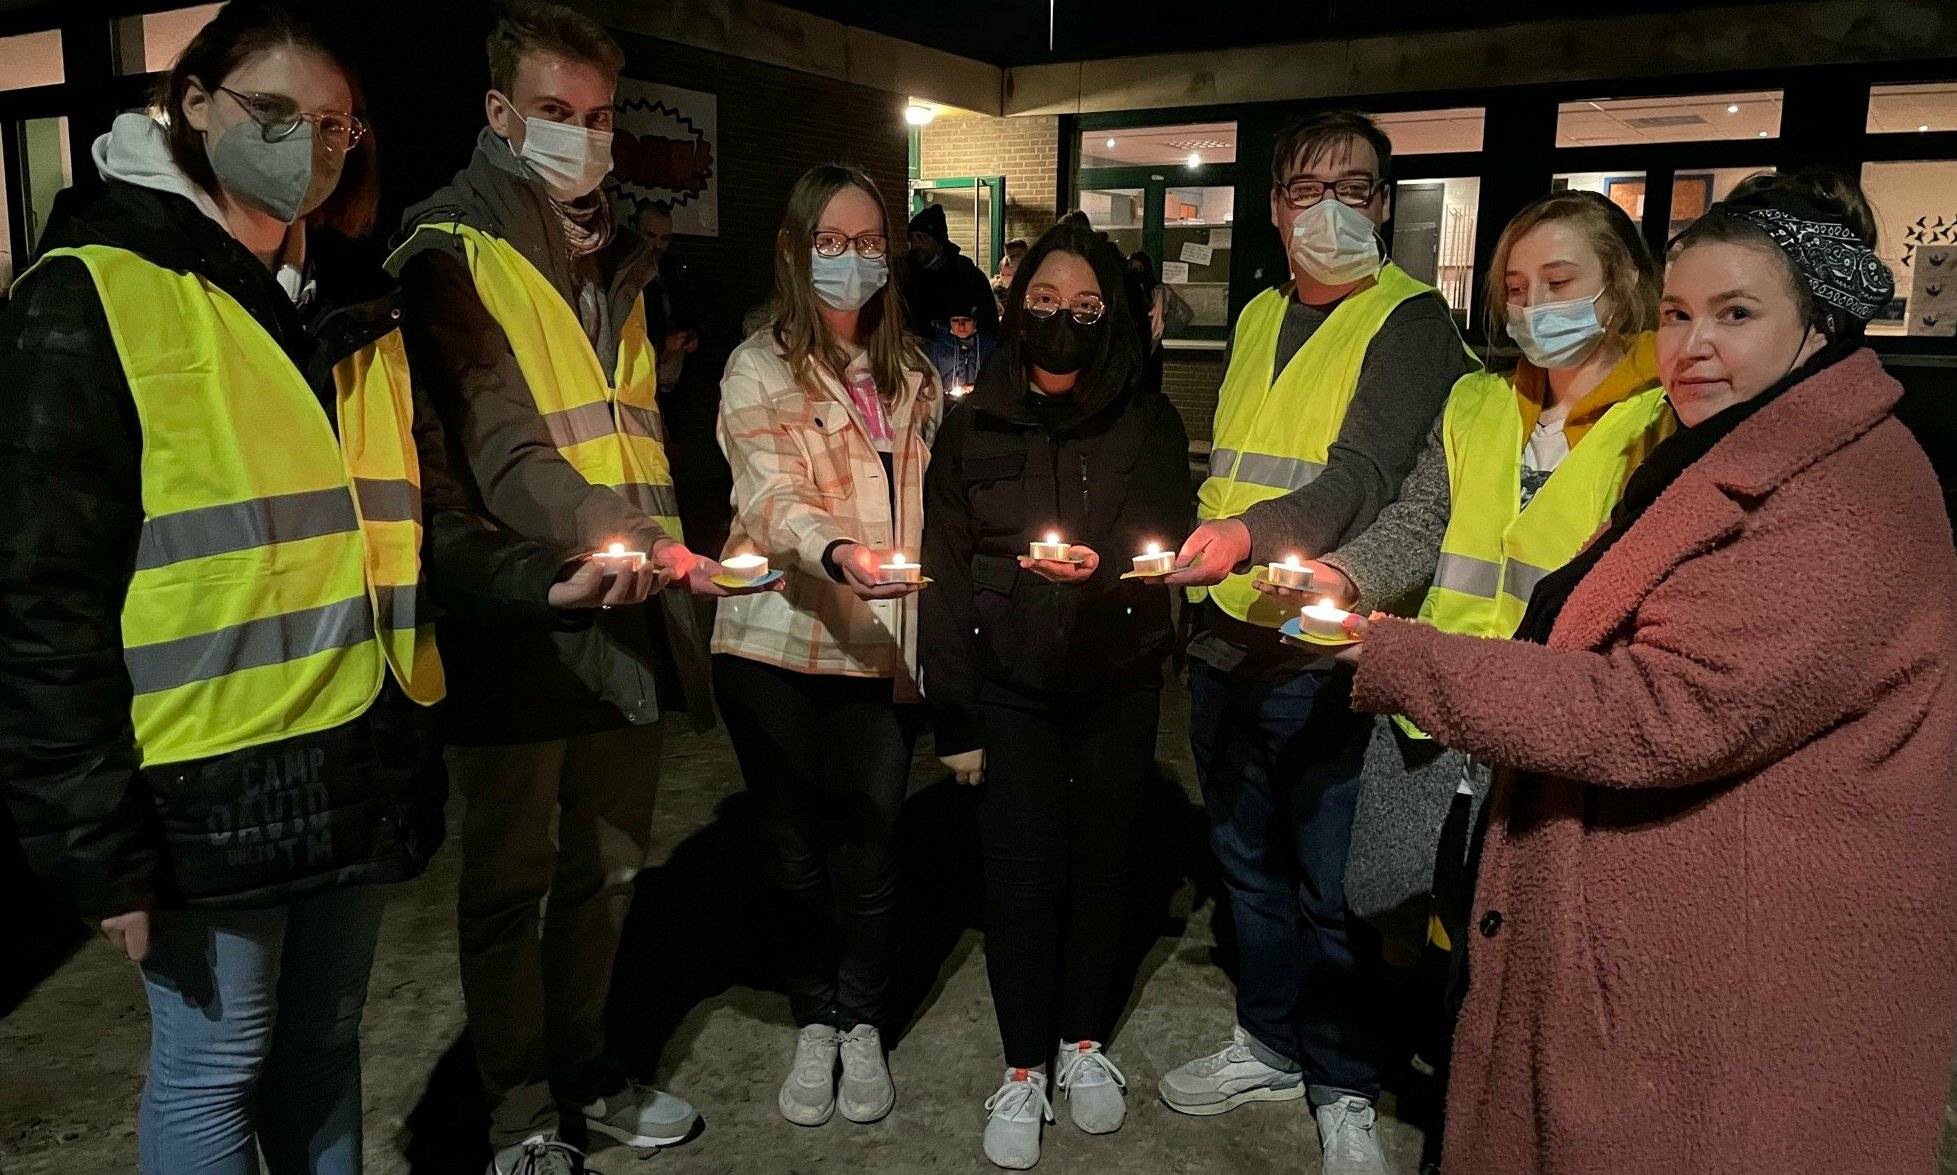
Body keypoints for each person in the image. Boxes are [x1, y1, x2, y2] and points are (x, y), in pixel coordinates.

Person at [0, 5, 646, 1171]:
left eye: (337, 126)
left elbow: (412, 521)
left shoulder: (348, 304)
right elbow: (43, 600)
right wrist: (92, 841)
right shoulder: (90, 291)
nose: (309, 145)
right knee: (213, 1070)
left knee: (321, 1049)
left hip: (354, 746)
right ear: (194, 104)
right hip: (202, 776)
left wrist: (544, 578)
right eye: (275, 113)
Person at [1342, 170, 1957, 1175]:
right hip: (1589, 841)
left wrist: (1397, 654)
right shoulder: (1740, 442)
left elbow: (1661, 708)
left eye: (1736, 312)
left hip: (1730, 967)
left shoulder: (1834, 499)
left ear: (1818, 326)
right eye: (1679, 313)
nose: (1692, 343)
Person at [386, 6, 746, 1170]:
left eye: (596, 118)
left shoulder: (623, 258)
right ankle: (517, 1102)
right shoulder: (445, 249)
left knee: (609, 865)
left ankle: (586, 1064)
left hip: (634, 605)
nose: (582, 139)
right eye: (554, 114)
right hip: (521, 616)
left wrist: (675, 558)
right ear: (498, 114)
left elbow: (632, 429)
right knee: (509, 879)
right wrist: (621, 532)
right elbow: (499, 449)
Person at [1146, 110, 1474, 1175]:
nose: (1332, 208)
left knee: (1329, 878)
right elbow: (1235, 463)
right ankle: (1269, 1039)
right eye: (1307, 188)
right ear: (1276, 205)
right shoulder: (1253, 315)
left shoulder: (1412, 319)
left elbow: (1363, 479)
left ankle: (1341, 1079)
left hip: (1319, 643)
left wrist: (1245, 538)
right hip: (1223, 633)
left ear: (1385, 202)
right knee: (1243, 856)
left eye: (1358, 187)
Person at [1282, 191, 1674, 973]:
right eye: (1518, 288)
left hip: (1551, 733)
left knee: (1529, 953)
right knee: (1407, 915)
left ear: (1623, 279)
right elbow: (1423, 521)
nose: (1534, 307)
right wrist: (1341, 573)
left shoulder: (1660, 420)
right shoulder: (1476, 402)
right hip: (1434, 718)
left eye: (1559, 283)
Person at [921, 220, 1192, 1169]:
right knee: (1021, 874)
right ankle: (1023, 1065)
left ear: (1113, 316)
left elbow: (1169, 539)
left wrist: (1109, 566)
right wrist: (952, 713)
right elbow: (945, 572)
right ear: (1014, 308)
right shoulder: (971, 422)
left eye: (1085, 308)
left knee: (1103, 867)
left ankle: (1082, 1045)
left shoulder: (1149, 421)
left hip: (1114, 678)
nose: (1063, 322)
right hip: (1008, 687)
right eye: (1044, 304)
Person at [715, 163, 940, 1131]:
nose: (852, 260)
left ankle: (862, 1018)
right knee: (792, 846)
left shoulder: (915, 376)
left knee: (872, 841)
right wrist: (837, 550)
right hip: (775, 638)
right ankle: (816, 1014)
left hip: (879, 640)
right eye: (831, 243)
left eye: (867, 242)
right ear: (796, 250)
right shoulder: (756, 365)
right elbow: (769, 497)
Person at [900, 202, 999, 340]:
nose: (916, 245)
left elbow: (987, 324)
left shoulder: (967, 276)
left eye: (922, 238)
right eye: (912, 239)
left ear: (938, 241)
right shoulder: (906, 274)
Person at [922, 302, 994, 395]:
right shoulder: (937, 348)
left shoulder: (989, 348)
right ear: (949, 323)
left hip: (982, 401)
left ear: (975, 322)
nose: (961, 325)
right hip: (948, 404)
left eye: (967, 320)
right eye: (955, 320)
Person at [1125, 249, 1167, 396]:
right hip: (1136, 346)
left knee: (1148, 388)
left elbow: (1157, 324)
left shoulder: (1157, 291)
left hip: (1148, 348)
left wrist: (1149, 346)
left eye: (1138, 269)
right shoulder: (1128, 290)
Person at [992, 236, 1029, 312]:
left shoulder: (1033, 277)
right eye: (1011, 257)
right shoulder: (1004, 287)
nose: (1014, 260)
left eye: (1018, 255)